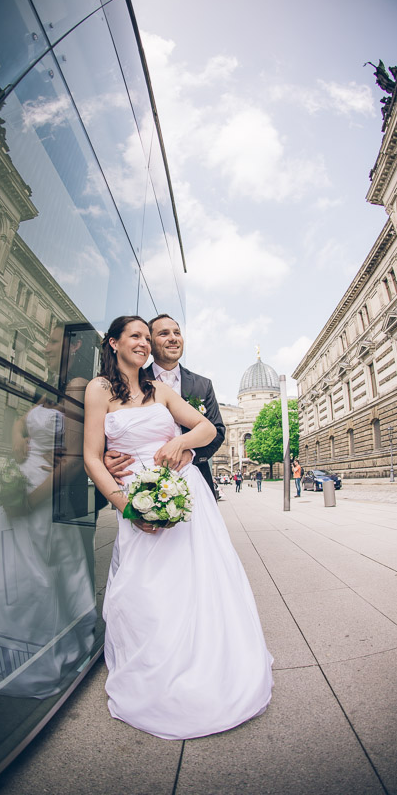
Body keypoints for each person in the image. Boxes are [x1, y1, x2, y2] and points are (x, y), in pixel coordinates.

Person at [83, 315, 273, 740]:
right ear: (113, 343)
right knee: (145, 585)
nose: (146, 344)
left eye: (147, 339)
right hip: (135, 498)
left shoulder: (161, 389)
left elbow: (206, 428)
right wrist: (126, 506)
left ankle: (204, 661)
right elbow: (93, 457)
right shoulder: (98, 390)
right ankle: (155, 665)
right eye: (137, 336)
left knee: (196, 581)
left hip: (185, 497)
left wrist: (179, 442)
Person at [0, 324, 97, 698]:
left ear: (73, 344)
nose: (45, 347)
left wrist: (29, 502)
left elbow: (75, 460)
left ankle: (33, 657)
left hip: (43, 496)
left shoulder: (78, 385)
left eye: (51, 340)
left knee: (36, 577)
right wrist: (19, 438)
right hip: (21, 481)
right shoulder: (47, 385)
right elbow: (21, 419)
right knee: (1, 570)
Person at [104, 314, 225, 499]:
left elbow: (217, 431)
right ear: (150, 345)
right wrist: (107, 456)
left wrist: (189, 453)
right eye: (164, 333)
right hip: (142, 486)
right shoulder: (131, 381)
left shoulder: (203, 385)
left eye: (177, 332)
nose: (173, 338)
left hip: (195, 480)